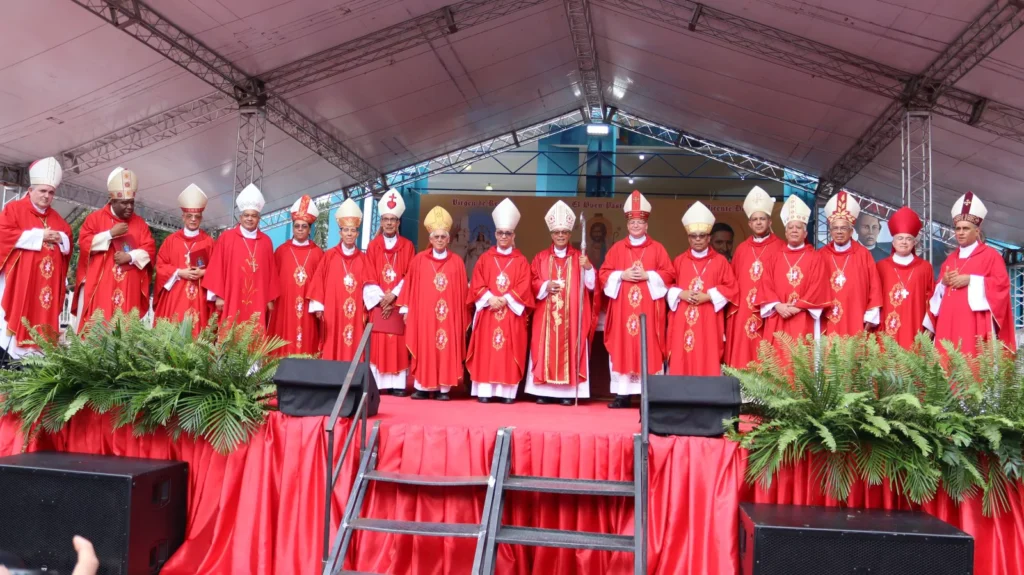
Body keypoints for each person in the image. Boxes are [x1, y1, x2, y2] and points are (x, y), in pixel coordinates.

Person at [599, 190, 674, 409]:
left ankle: (648, 395)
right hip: (623, 310)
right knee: (623, 346)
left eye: (640, 222)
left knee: (647, 345)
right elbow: (603, 273)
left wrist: (648, 275)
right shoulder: (616, 248)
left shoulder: (658, 249)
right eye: (632, 221)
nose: (635, 225)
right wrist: (621, 275)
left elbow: (669, 274)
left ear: (646, 225)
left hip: (648, 311)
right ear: (627, 223)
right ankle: (622, 395)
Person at [926, 193, 1015, 357]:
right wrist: (943, 283)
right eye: (957, 228)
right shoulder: (950, 259)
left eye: (965, 228)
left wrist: (971, 280)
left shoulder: (991, 256)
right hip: (948, 323)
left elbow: (1001, 287)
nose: (960, 233)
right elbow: (936, 297)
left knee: (972, 369)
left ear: (977, 231)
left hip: (973, 323)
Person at [0, 157, 72, 359]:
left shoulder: (58, 220)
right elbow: (3, 235)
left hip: (46, 285)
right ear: (30, 191)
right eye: (42, 191)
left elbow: (69, 242)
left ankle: (38, 360)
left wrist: (61, 238)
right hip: (20, 282)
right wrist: (41, 235)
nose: (46, 196)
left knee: (43, 323)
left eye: (50, 192)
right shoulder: (13, 210)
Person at [525, 201, 595, 406]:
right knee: (543, 348)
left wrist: (589, 267)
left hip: (572, 315)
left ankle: (567, 392)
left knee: (571, 347)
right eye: (557, 232)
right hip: (546, 315)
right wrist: (545, 286)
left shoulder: (579, 257)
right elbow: (532, 281)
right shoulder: (540, 257)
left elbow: (591, 286)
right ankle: (544, 390)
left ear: (570, 234)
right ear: (551, 235)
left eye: (564, 232)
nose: (561, 235)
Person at [397, 206, 469, 400]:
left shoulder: (457, 262)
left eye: (443, 237)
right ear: (430, 239)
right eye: (435, 236)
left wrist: (459, 316)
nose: (439, 240)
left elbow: (463, 293)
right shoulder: (418, 261)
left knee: (445, 344)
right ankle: (422, 387)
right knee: (425, 344)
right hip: (424, 315)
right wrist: (406, 309)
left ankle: (443, 389)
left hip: (448, 317)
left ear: (448, 239)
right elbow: (409, 287)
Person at [466, 199, 534, 403]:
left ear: (513, 236)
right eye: (500, 233)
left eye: (508, 233)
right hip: (488, 312)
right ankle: (485, 391)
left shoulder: (521, 261)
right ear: (495, 234)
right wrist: (489, 298)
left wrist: (505, 299)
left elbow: (525, 285)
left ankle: (507, 392)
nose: (504, 236)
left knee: (507, 349)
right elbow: (476, 283)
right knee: (487, 350)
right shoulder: (485, 259)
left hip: (511, 314)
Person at [72, 167, 155, 329]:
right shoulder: (95, 219)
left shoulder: (140, 224)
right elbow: (84, 244)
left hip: (128, 288)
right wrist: (109, 234)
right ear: (112, 200)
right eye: (124, 203)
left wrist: (130, 257)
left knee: (125, 332)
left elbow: (150, 249)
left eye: (131, 203)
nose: (129, 207)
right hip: (101, 285)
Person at [667, 202, 738, 375]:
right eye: (693, 236)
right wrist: (680, 293)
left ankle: (707, 397)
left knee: (707, 353)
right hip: (683, 318)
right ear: (688, 238)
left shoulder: (720, 262)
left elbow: (732, 287)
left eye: (702, 236)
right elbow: (666, 285)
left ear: (709, 238)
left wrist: (709, 296)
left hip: (709, 319)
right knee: (682, 354)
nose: (697, 239)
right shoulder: (679, 260)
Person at [204, 183, 279, 329]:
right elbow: (216, 267)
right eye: (246, 215)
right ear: (240, 217)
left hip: (258, 299)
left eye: (254, 216)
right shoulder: (227, 238)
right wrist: (218, 296)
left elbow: (271, 272)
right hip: (231, 298)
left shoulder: (266, 241)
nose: (249, 219)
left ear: (259, 218)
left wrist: (270, 298)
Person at [758, 195, 829, 349]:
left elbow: (819, 286)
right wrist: (777, 306)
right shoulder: (774, 257)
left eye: (798, 227)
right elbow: (765, 284)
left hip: (804, 316)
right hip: (778, 316)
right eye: (791, 227)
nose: (794, 231)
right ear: (785, 232)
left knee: (802, 359)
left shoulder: (815, 257)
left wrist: (797, 307)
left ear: (805, 233)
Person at [364, 190, 415, 396]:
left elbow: (410, 274)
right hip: (378, 302)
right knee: (379, 340)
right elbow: (367, 272)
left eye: (393, 220)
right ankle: (378, 384)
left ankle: (397, 384)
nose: (389, 223)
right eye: (385, 219)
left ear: (398, 222)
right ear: (381, 221)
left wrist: (393, 296)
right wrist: (381, 299)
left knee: (397, 342)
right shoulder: (373, 246)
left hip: (398, 302)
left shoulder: (408, 246)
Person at [308, 199, 374, 361]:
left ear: (357, 233)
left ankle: (353, 380)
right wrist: (318, 306)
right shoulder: (329, 256)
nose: (349, 234)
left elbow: (369, 286)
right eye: (346, 230)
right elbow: (318, 282)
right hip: (333, 311)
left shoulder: (364, 259)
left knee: (354, 342)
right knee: (333, 341)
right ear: (340, 233)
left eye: (353, 230)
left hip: (356, 312)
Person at [724, 186, 782, 369]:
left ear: (769, 221)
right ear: (749, 224)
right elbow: (733, 282)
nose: (758, 223)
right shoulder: (741, 249)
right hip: (744, 309)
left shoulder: (781, 247)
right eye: (754, 219)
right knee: (743, 350)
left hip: (768, 310)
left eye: (762, 219)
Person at [153, 184, 214, 336]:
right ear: (183, 217)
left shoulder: (209, 242)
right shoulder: (171, 241)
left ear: (201, 217)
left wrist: (204, 272)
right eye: (189, 216)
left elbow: (218, 269)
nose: (193, 220)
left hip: (199, 297)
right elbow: (160, 266)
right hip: (175, 295)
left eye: (197, 217)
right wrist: (179, 272)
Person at [268, 196, 324, 356]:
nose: (300, 229)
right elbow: (271, 278)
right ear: (293, 227)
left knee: (307, 339)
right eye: (297, 226)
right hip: (284, 306)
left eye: (304, 226)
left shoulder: (318, 253)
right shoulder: (281, 251)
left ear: (309, 229)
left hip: (308, 308)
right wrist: (270, 302)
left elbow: (321, 283)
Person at [820, 192, 881, 336]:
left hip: (855, 317)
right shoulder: (821, 255)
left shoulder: (863, 254)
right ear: (830, 231)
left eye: (843, 228)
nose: (839, 232)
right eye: (835, 228)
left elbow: (874, 286)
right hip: (827, 317)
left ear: (851, 231)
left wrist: (870, 316)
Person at [877, 207, 934, 349]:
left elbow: (931, 298)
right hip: (887, 329)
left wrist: (930, 328)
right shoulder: (881, 267)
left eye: (909, 239)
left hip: (915, 327)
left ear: (914, 243)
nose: (904, 242)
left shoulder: (924, 267)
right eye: (900, 238)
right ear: (893, 242)